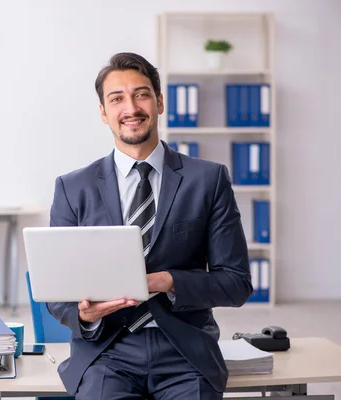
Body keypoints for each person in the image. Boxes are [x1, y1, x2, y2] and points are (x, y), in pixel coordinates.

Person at [46, 52, 253, 400]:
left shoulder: (208, 179)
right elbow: (57, 293)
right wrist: (84, 315)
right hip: (107, 354)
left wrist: (168, 281)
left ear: (158, 102)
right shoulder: (73, 187)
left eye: (141, 94)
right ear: (103, 112)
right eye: (117, 99)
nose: (131, 107)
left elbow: (236, 282)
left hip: (184, 351)